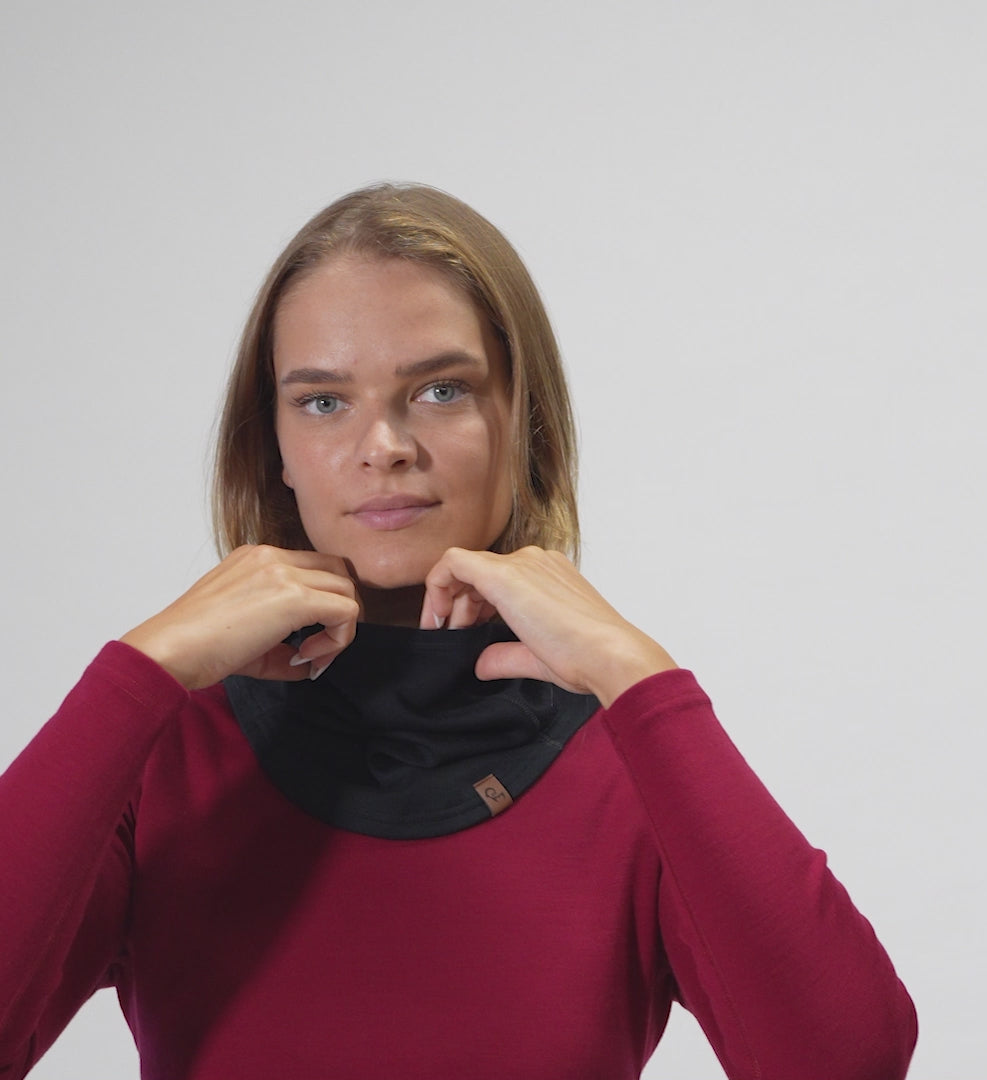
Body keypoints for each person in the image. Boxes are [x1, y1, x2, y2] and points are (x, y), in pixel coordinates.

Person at [0, 183, 917, 1079]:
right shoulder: (168, 756)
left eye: (440, 390)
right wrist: (140, 673)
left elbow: (847, 1059)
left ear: (526, 422)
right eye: (323, 401)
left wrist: (640, 681)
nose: (385, 444)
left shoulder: (633, 762)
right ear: (272, 448)